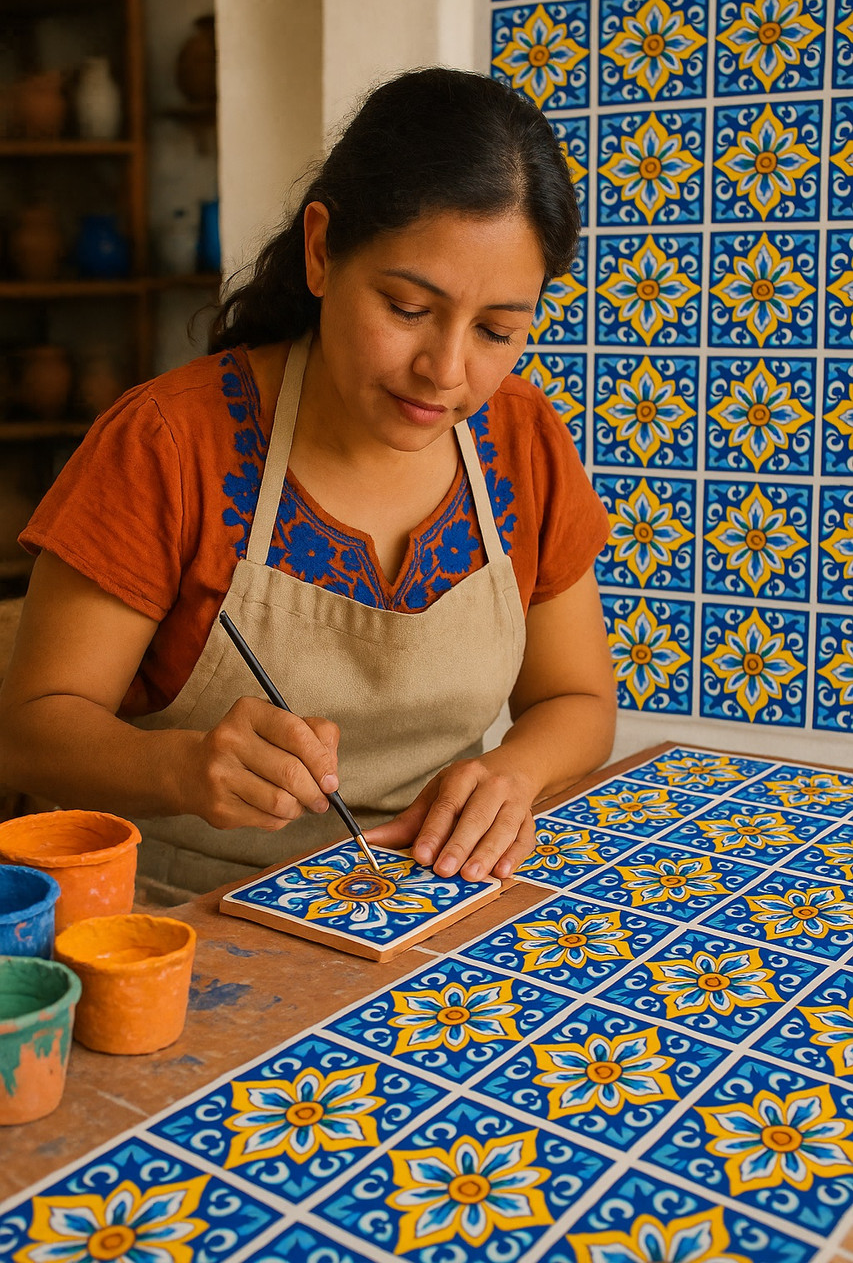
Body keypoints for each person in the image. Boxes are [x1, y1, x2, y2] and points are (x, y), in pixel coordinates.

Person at [0, 68, 616, 903]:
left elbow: (576, 697)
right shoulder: (169, 442)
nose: (445, 370)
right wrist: (181, 767)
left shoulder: (521, 440)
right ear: (321, 251)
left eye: (496, 331)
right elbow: (29, 732)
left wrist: (515, 772)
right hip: (184, 913)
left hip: (426, 900)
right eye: (407, 309)